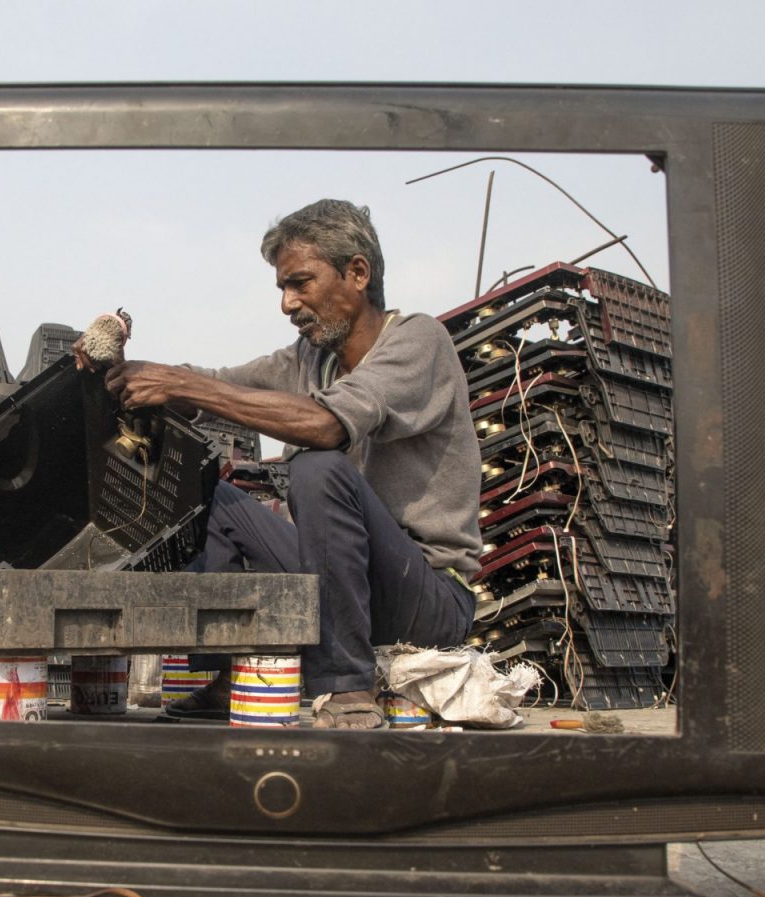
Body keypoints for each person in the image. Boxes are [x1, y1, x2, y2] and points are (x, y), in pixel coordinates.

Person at [78, 199, 482, 729]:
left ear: (357, 272)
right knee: (213, 496)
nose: (288, 303)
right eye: (282, 289)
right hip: (347, 584)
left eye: (301, 283)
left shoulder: (418, 341)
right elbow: (218, 382)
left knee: (319, 467)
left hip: (426, 596)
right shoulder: (308, 358)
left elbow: (325, 426)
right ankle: (237, 667)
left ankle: (346, 687)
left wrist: (182, 384)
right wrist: (133, 375)